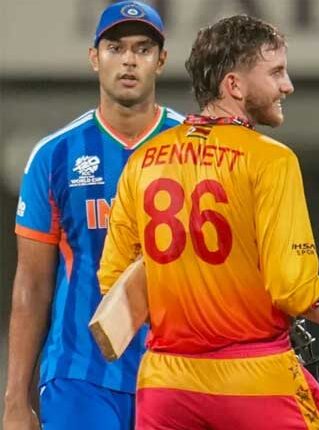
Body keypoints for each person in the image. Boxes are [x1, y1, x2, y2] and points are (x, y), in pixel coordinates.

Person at [97, 15, 319, 430]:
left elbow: (114, 281)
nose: (287, 86)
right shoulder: (270, 160)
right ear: (234, 85)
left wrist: (187, 312)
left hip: (166, 386)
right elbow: (294, 289)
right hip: (255, 382)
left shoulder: (142, 161)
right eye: (276, 72)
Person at [3, 2, 184, 429]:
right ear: (94, 58)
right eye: (115, 48)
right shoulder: (54, 155)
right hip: (78, 375)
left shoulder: (192, 148)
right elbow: (32, 284)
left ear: (161, 61)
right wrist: (14, 400)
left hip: (177, 373)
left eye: (142, 49)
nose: (128, 60)